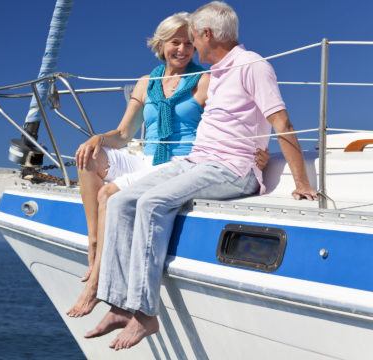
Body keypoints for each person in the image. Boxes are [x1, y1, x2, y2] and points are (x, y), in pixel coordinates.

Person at [86, 1, 317, 350]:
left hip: (231, 169)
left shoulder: (252, 66)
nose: (191, 44)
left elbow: (281, 121)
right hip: (198, 160)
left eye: (193, 36)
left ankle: (145, 314)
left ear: (206, 34)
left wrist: (301, 183)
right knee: (121, 200)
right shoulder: (220, 71)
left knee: (152, 203)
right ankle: (118, 303)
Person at [67, 12, 268, 318]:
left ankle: (95, 283)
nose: (183, 50)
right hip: (145, 156)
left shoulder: (204, 80)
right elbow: (123, 135)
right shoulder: (146, 83)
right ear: (161, 45)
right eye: (176, 42)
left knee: (110, 193)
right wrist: (97, 138)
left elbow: (238, 116)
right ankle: (94, 244)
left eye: (189, 43)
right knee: (85, 157)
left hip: (179, 161)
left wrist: (258, 149)